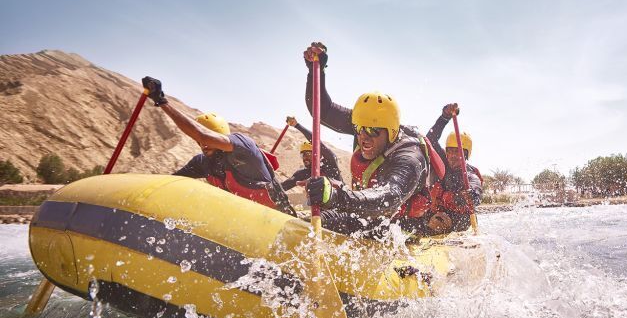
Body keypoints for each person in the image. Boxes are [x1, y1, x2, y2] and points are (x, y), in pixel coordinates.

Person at [300, 42, 445, 237]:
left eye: (372, 131)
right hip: (365, 214)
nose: (363, 137)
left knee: (350, 221)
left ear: (391, 131)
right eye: (359, 129)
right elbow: (322, 111)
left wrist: (336, 196)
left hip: (402, 229)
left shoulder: (410, 157)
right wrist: (316, 71)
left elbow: (390, 198)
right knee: (313, 223)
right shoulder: (365, 123)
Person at [141, 76, 296, 216]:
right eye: (199, 142)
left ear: (219, 136)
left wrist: (161, 101)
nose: (202, 144)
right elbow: (170, 182)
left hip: (279, 218)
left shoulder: (243, 145)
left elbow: (201, 134)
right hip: (245, 222)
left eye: (207, 140)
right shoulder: (201, 162)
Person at [425, 103, 483, 234]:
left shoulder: (469, 175)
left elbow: (476, 191)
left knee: (437, 222)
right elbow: (430, 140)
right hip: (439, 212)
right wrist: (444, 117)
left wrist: (471, 195)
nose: (452, 156)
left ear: (466, 154)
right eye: (450, 151)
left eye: (458, 152)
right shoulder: (443, 163)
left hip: (460, 219)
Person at [280, 116, 343, 191]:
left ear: (318, 154)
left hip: (342, 199)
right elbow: (285, 185)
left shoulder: (330, 162)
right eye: (302, 155)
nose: (304, 158)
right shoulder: (305, 172)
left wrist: (297, 126)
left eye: (307, 154)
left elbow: (317, 142)